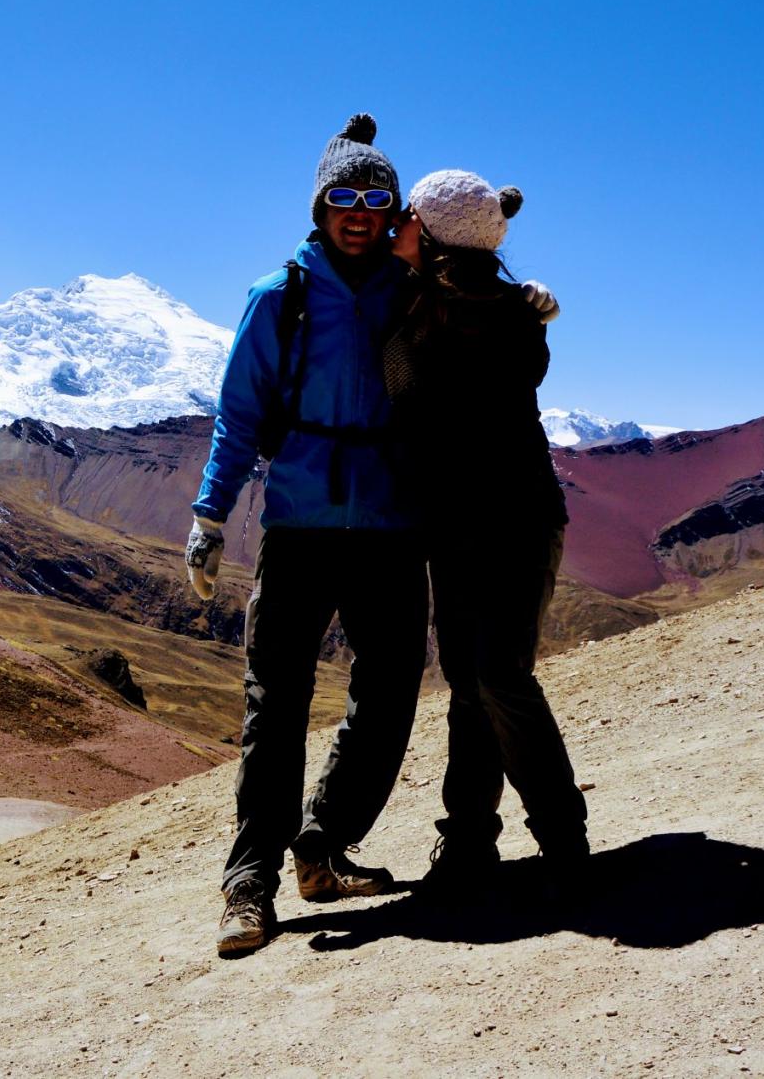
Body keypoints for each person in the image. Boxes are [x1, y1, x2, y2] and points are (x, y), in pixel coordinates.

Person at [188, 113, 430, 957]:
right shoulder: (278, 297)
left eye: (376, 198)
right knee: (276, 707)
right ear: (319, 207)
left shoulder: (414, 287)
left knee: (393, 689)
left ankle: (322, 846)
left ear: (395, 211)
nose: (359, 212)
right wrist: (208, 516)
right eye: (344, 198)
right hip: (298, 525)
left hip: (394, 527)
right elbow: (238, 416)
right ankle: (248, 883)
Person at [385, 170, 589, 895]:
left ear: (434, 235)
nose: (393, 226)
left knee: (497, 674)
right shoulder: (475, 306)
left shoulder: (475, 314)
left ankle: (562, 834)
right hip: (461, 525)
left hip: (515, 519)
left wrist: (522, 301)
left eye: (407, 217)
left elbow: (428, 380)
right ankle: (469, 840)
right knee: (470, 681)